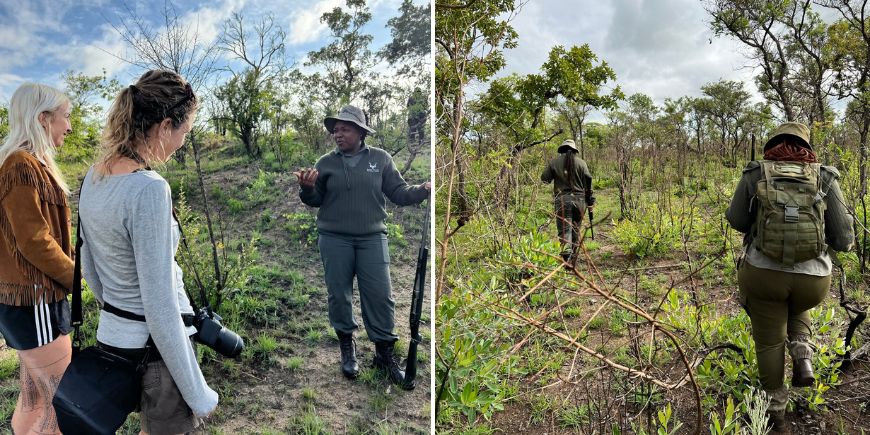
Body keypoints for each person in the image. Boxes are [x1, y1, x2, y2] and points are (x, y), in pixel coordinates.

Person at [78, 70, 217, 434]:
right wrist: (199, 393)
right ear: (165, 124)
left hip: (113, 338)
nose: (183, 141)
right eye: (184, 131)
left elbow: (89, 266)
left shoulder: (94, 177)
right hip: (156, 352)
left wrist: (119, 313)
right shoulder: (149, 189)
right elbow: (160, 305)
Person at [725, 122, 854, 432]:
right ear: (806, 146)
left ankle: (775, 412)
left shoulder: (756, 172)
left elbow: (737, 220)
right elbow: (843, 238)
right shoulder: (825, 175)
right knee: (798, 300)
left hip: (764, 275)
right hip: (813, 282)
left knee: (769, 343)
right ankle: (801, 352)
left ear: (773, 144)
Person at [294, 105, 430, 385]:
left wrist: (422, 190)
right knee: (339, 295)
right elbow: (315, 200)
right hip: (334, 238)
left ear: (360, 132)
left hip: (372, 238)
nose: (337, 134)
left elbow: (398, 192)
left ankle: (384, 354)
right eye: (336, 129)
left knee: (380, 295)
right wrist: (307, 188)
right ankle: (348, 347)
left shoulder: (380, 159)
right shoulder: (325, 163)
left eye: (344, 128)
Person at [0, 83, 74, 435]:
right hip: (36, 301)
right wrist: (77, 277)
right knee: (62, 405)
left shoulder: (27, 164)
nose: (70, 126)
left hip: (30, 301)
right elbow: (34, 241)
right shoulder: (21, 165)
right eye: (66, 117)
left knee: (34, 399)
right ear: (43, 119)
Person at [541, 139, 595, 264]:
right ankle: (573, 258)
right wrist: (590, 199)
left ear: (562, 149)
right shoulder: (582, 163)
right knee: (576, 228)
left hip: (563, 200)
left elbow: (544, 179)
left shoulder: (554, 162)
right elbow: (589, 180)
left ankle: (567, 260)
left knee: (565, 230)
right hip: (580, 200)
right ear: (574, 150)